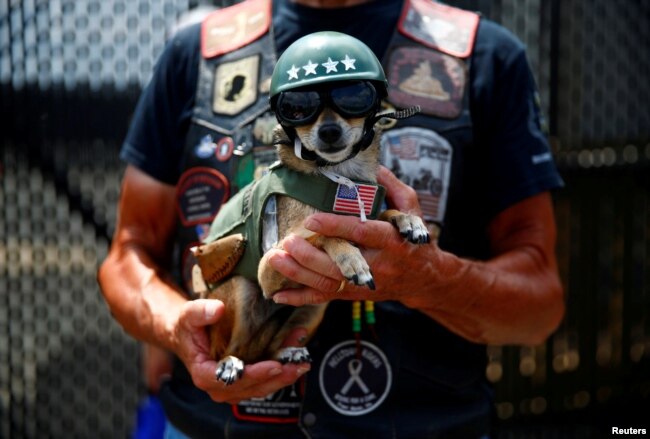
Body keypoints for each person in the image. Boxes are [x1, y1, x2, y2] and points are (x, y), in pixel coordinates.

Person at [97, 0, 565, 437]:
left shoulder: (482, 56)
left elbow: (539, 306)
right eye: (299, 110)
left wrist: (428, 279)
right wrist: (178, 326)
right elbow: (128, 255)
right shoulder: (197, 52)